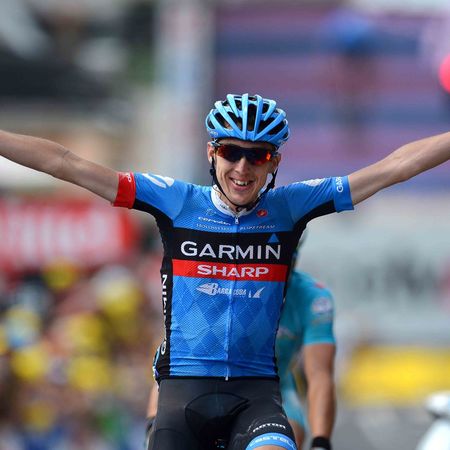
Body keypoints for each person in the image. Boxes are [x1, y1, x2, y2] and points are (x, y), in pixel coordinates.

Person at [0, 93, 449, 449]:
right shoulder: (176, 201)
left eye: (259, 156)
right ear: (211, 153)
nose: (242, 167)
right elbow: (66, 162)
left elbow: (394, 168)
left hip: (256, 395)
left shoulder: (291, 207)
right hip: (183, 392)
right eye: (231, 152)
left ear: (274, 163)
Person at [144, 265, 337, 450]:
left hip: (274, 390)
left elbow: (319, 374)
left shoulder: (312, 298)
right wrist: (152, 425)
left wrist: (320, 442)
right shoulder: (219, 284)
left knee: (292, 434)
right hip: (200, 386)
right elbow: (172, 357)